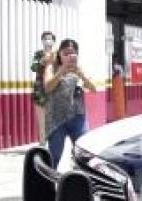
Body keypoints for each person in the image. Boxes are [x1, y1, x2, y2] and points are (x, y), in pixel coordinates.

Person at [43, 39, 96, 168]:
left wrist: (81, 74)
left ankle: (82, 183)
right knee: (54, 157)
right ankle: (48, 185)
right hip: (56, 119)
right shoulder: (51, 67)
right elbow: (48, 88)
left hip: (77, 118)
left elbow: (93, 88)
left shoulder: (79, 69)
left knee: (84, 155)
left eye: (72, 53)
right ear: (59, 54)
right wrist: (61, 71)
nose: (69, 56)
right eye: (65, 53)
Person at [30, 31, 56, 144]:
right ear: (42, 41)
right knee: (41, 119)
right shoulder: (38, 54)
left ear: (54, 41)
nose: (47, 41)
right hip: (40, 89)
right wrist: (41, 62)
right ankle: (42, 143)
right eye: (45, 38)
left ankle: (53, 142)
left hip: (53, 88)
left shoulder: (57, 54)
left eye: (50, 38)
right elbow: (33, 67)